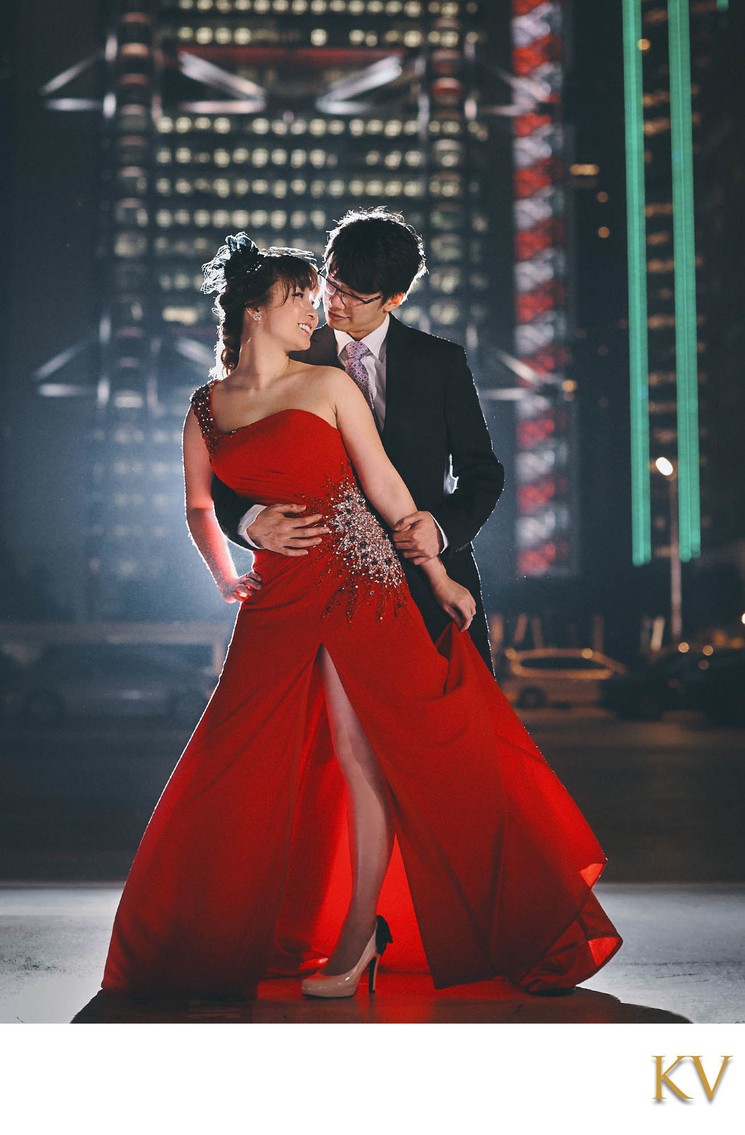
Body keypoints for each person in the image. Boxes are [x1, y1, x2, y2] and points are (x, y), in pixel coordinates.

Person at [101, 235, 621, 1002]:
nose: (323, 303)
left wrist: (437, 564)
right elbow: (206, 502)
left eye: (340, 292)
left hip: (370, 583)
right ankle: (217, 929)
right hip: (278, 595)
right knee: (241, 753)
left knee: (407, 758)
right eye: (315, 289)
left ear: (392, 299)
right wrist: (235, 556)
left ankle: (374, 933)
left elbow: (409, 484)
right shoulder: (241, 387)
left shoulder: (411, 366)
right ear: (257, 309)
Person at [211, 207, 504, 672]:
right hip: (322, 579)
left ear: (394, 297)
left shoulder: (440, 363)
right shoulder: (289, 356)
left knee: (446, 727)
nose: (334, 302)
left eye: (354, 295)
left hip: (425, 574)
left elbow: (483, 473)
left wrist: (441, 530)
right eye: (331, 283)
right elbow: (230, 459)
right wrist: (247, 522)